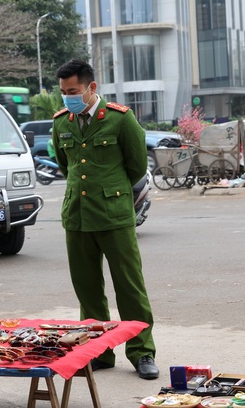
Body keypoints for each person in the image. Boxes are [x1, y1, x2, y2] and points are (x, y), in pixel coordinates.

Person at [51, 59, 158, 380]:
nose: (68, 97)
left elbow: (136, 166)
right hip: (77, 217)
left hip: (114, 216)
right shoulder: (61, 123)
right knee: (87, 290)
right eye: (63, 92)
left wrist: (109, 191)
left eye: (73, 91)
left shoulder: (120, 120)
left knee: (129, 288)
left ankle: (142, 352)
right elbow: (64, 165)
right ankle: (98, 351)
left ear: (91, 87)